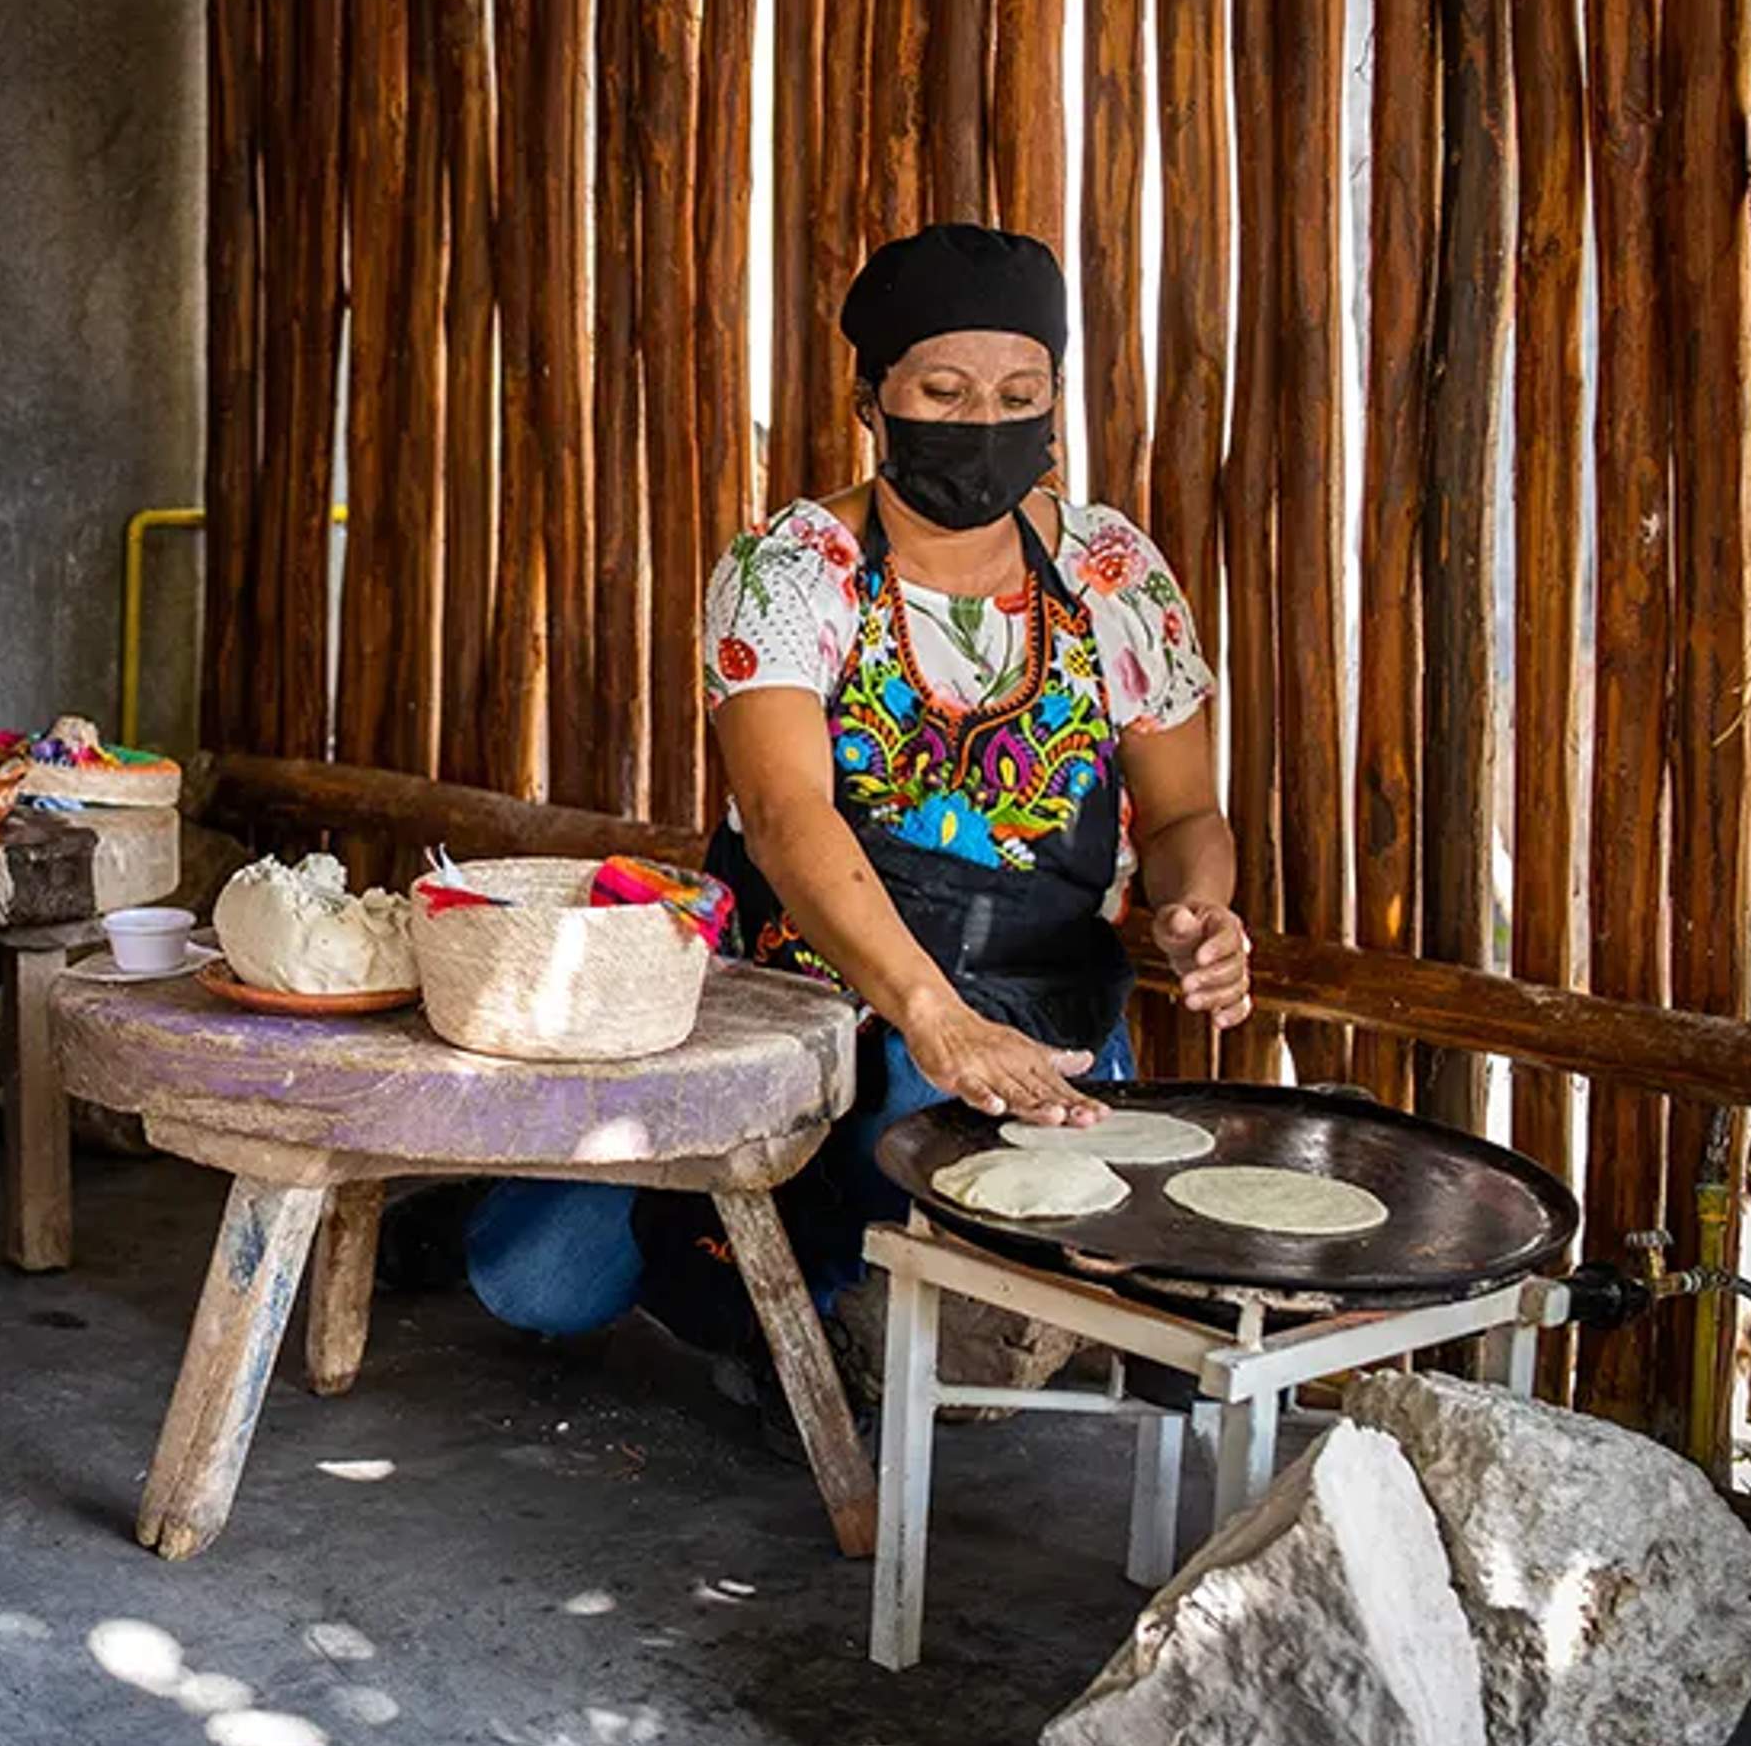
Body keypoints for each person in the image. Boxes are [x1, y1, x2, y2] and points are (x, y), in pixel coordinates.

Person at [428, 224, 1256, 1376]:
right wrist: (929, 1012)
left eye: (1019, 395)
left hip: (1037, 1004)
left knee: (936, 1178)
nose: (984, 422)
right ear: (872, 401)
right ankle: (766, 1292)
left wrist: (1197, 908)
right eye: (944, 392)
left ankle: (833, 1324)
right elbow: (786, 818)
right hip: (794, 1000)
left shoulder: (1109, 573)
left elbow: (1183, 818)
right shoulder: (790, 571)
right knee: (535, 1280)